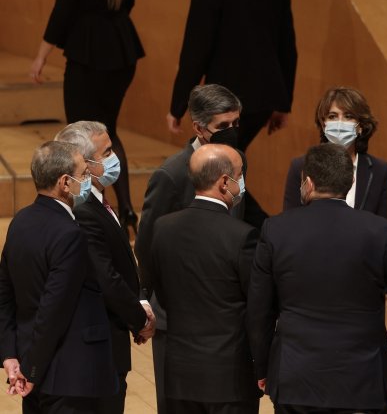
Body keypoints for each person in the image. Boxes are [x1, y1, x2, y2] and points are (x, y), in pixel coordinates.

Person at [248, 143, 387, 413]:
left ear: (307, 182)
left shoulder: (275, 229)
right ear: (351, 182)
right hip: (365, 378)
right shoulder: (381, 231)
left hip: (296, 377)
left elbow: (260, 310)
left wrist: (262, 367)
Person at [135, 84, 244, 414]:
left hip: (222, 317)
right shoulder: (171, 174)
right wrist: (146, 296)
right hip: (177, 318)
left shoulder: (237, 162)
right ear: (199, 128)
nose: (232, 132)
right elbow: (147, 243)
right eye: (223, 126)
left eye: (236, 124)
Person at [0, 141, 118, 413]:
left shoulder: (20, 221)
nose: (88, 180)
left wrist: (10, 356)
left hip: (31, 367)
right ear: (66, 182)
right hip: (67, 376)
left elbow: (4, 295)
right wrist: (31, 370)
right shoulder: (70, 233)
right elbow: (54, 308)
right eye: (84, 174)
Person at [54, 121, 156, 413]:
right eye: (108, 151)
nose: (116, 158)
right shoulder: (84, 210)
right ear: (84, 163)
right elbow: (106, 277)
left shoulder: (97, 202)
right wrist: (140, 318)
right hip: (99, 348)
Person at [151, 144, 261, 413]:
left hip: (179, 375)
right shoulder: (243, 235)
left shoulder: (163, 228)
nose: (242, 181)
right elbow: (257, 307)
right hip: (229, 379)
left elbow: (162, 294)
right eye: (240, 173)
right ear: (225, 182)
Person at [30, 0, 144, 235]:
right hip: (122, 48)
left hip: (88, 50)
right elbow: (129, 3)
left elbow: (62, 12)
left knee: (77, 138)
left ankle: (88, 210)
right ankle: (126, 209)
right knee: (108, 130)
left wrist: (41, 56)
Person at [167, 0, 297, 152]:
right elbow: (287, 48)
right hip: (262, 96)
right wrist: (283, 103)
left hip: (224, 94)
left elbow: (197, 47)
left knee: (217, 162)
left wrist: (178, 105)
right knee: (232, 158)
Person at [283, 87, 387, 219]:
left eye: (348, 116)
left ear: (361, 127)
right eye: (332, 116)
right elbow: (289, 221)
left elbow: (386, 228)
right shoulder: (300, 166)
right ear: (324, 125)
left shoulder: (379, 170)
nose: (340, 123)